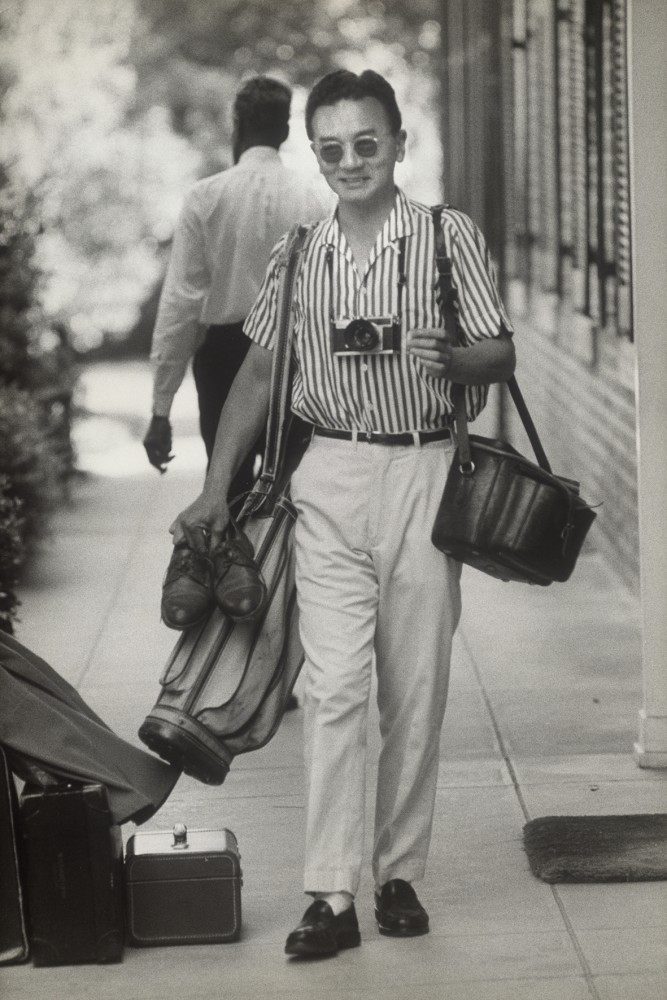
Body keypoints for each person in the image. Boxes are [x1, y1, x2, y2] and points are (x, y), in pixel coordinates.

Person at [170, 68, 516, 958]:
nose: (350, 160)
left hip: (423, 471)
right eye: (331, 148)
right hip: (325, 474)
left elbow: (499, 352)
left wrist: (457, 359)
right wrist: (216, 485)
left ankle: (397, 872)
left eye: (367, 143)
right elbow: (254, 375)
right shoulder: (299, 252)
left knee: (416, 688)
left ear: (398, 143)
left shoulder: (446, 239)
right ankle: (331, 892)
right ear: (313, 154)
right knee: (330, 689)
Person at [143, 75, 330, 488]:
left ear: (237, 124)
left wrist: (161, 409)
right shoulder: (317, 198)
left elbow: (181, 306)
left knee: (227, 492)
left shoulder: (205, 198)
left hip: (225, 357)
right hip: (295, 357)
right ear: (285, 129)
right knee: (292, 494)